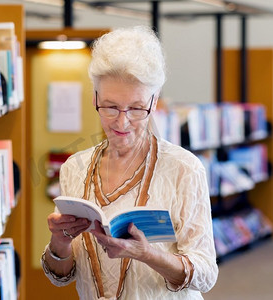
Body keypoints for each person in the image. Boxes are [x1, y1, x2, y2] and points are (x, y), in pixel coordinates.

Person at [41, 25, 218, 299]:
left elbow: (206, 274)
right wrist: (59, 242)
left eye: (136, 108)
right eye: (110, 107)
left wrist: (148, 255)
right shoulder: (74, 168)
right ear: (95, 99)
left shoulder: (184, 168)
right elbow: (63, 276)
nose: (122, 122)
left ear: (154, 102)